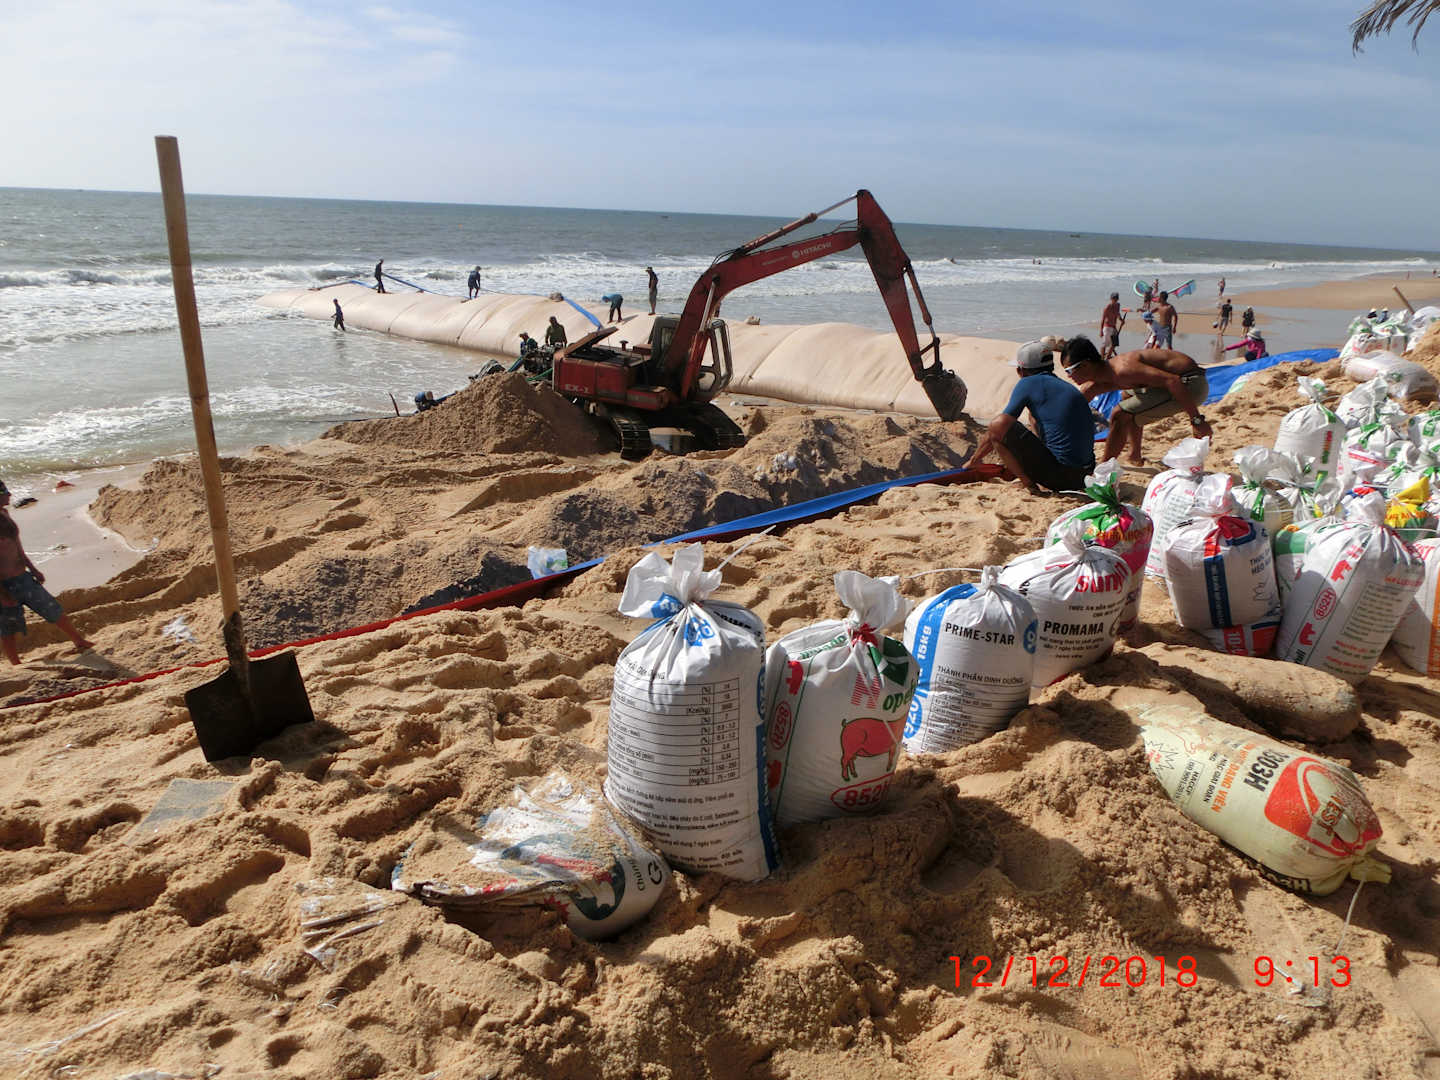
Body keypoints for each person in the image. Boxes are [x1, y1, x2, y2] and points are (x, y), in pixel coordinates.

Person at [1060, 336, 1213, 466]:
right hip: (1170, 382)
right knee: (1126, 397)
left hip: (1191, 384)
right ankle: (1134, 455)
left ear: (1086, 365)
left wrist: (1197, 420)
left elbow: (1172, 381)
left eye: (1069, 370)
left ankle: (1104, 466)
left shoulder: (1123, 370)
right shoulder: (1102, 376)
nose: (1068, 376)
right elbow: (1077, 407)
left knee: (1120, 414)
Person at [970, 341, 1097, 493]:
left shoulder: (1027, 383)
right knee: (1033, 415)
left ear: (1021, 370)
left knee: (998, 424)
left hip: (1061, 477)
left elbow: (1000, 427)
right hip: (1084, 475)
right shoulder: (1064, 386)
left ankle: (1030, 485)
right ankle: (1037, 474)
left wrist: (973, 460)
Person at [1, 480, 93, 663]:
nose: (10, 495)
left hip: (22, 576)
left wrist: (32, 568)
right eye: (4, 492)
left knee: (52, 608)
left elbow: (17, 547)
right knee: (8, 626)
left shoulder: (4, 514)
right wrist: (2, 593)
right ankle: (15, 662)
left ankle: (79, 640)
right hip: (4, 583)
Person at [1100, 292, 1123, 359]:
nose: (1115, 300)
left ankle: (1108, 357)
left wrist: (1121, 320)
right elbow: (1103, 319)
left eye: (1116, 298)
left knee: (1115, 343)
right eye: (1114, 298)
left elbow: (1118, 313)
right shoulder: (1107, 307)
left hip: (1113, 327)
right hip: (1107, 327)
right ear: (1111, 298)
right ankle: (1102, 358)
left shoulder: (1118, 305)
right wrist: (1101, 331)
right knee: (1105, 344)